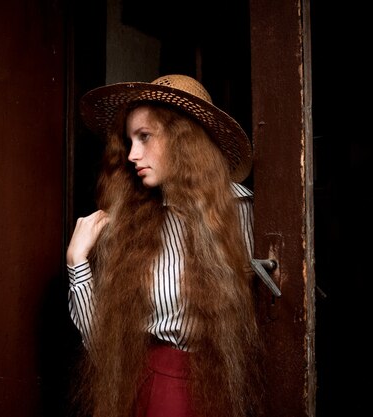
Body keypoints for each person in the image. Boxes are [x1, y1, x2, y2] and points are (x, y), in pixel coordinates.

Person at [67, 74, 262, 417]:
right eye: (129, 140)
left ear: (183, 139)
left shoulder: (240, 210)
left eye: (144, 137)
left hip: (211, 387)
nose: (132, 155)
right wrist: (77, 263)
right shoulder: (132, 222)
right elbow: (104, 347)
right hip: (141, 384)